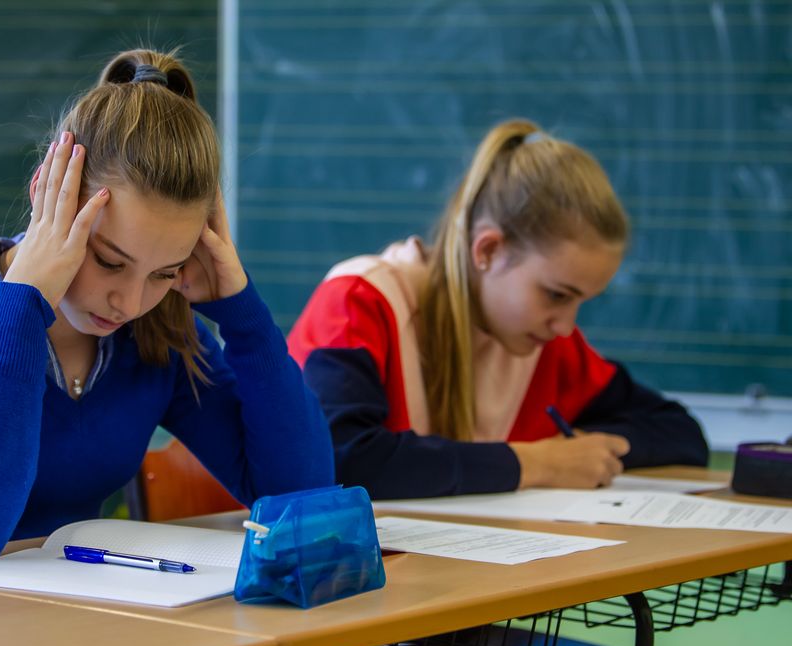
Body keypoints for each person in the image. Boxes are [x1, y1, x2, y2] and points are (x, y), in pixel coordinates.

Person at [0, 48, 334, 561]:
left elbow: (298, 495)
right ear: (49, 198)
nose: (128, 303)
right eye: (109, 261)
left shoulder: (158, 334)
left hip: (74, 626)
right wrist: (23, 303)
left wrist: (243, 314)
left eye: (164, 272)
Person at [288, 119, 707, 500]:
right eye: (557, 295)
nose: (565, 327)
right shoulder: (359, 301)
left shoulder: (543, 345)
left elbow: (682, 434)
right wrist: (537, 462)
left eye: (581, 302)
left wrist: (581, 449)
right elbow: (341, 459)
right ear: (488, 249)